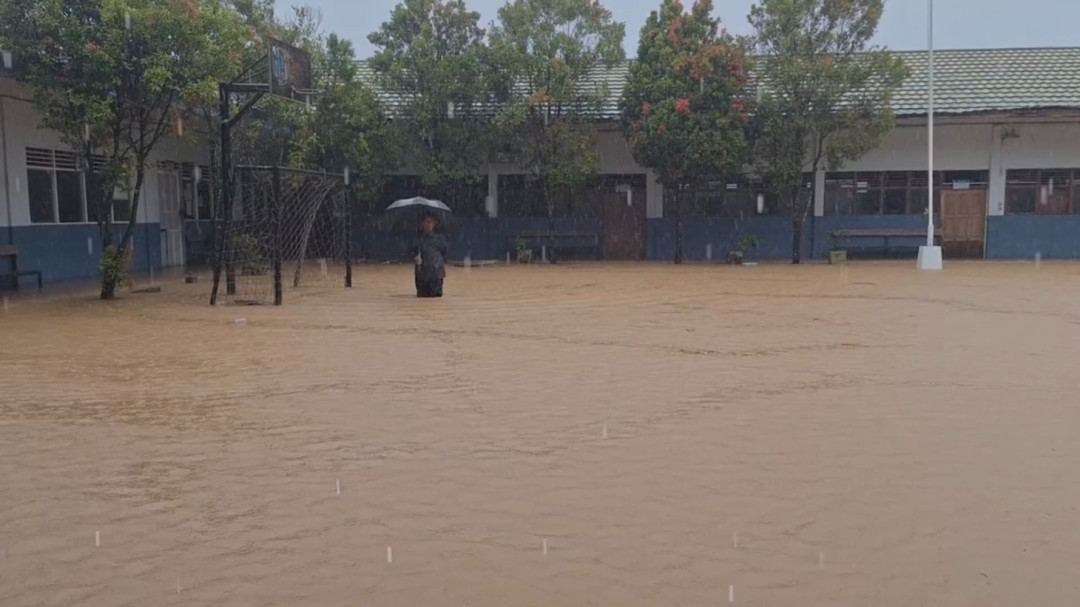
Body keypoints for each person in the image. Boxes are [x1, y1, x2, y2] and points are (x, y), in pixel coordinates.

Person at [413, 212, 447, 298]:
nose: (428, 224)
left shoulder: (440, 239)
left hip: (436, 274)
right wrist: (415, 258)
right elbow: (410, 252)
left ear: (434, 223)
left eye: (431, 222)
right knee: (421, 300)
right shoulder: (418, 239)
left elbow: (444, 253)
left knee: (436, 300)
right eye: (426, 222)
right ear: (422, 223)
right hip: (421, 275)